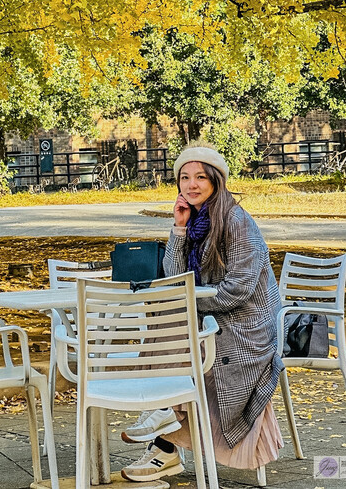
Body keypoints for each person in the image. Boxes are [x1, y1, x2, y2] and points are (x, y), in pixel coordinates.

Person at [120, 145, 284, 483]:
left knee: (172, 321)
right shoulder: (195, 221)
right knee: (168, 319)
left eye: (200, 177)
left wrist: (186, 304)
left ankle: (162, 424)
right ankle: (162, 425)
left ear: (216, 181)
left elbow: (238, 290)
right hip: (216, 317)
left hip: (247, 326)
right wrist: (178, 229)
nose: (191, 185)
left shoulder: (236, 220)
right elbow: (174, 277)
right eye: (184, 177)